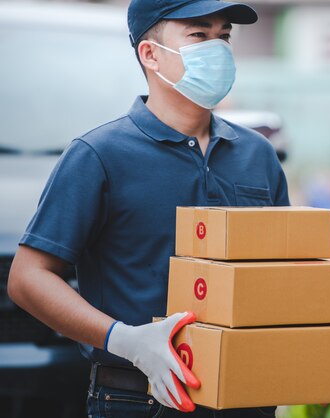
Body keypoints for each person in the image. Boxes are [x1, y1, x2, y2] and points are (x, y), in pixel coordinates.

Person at [7, 0, 289, 416]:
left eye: (223, 35)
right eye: (199, 35)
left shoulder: (257, 154)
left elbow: (287, 271)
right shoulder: (99, 155)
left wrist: (310, 351)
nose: (218, 48)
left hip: (245, 398)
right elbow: (27, 279)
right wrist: (124, 340)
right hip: (136, 399)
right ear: (150, 54)